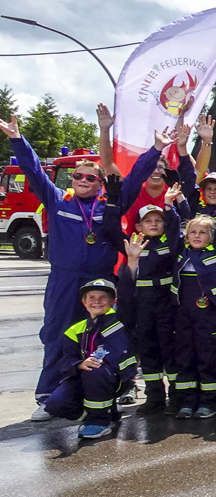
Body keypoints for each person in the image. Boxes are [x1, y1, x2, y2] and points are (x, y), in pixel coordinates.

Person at [1, 115, 166, 420]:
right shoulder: (57, 201)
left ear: (100, 183)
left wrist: (156, 149)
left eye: (90, 178)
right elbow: (34, 172)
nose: (82, 180)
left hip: (101, 281)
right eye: (78, 176)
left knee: (110, 337)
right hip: (64, 281)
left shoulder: (109, 207)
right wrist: (17, 139)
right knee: (56, 334)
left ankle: (112, 389)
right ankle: (48, 395)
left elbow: (133, 178)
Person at [44, 279, 137, 441]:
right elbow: (65, 361)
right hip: (86, 377)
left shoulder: (121, 319)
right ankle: (100, 411)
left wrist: (132, 262)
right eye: (91, 297)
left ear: (113, 301)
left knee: (97, 371)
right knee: (55, 404)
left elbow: (128, 295)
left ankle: (99, 422)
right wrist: (79, 364)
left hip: (117, 378)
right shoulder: (75, 330)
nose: (97, 302)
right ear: (84, 302)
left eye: (103, 297)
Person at [118, 204, 179, 414]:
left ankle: (177, 397)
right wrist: (132, 259)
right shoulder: (134, 246)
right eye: (148, 221)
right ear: (138, 226)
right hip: (143, 308)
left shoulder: (170, 242)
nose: (153, 224)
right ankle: (154, 398)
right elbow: (127, 283)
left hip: (167, 307)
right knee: (149, 353)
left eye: (158, 220)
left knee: (171, 353)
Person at [171, 215, 216, 418]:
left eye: (203, 232)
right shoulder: (181, 254)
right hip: (184, 314)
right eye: (193, 232)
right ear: (186, 237)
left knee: (209, 357)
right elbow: (172, 228)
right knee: (185, 357)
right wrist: (171, 206)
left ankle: (210, 402)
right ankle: (186, 402)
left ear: (211, 237)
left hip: (209, 314)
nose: (197, 236)